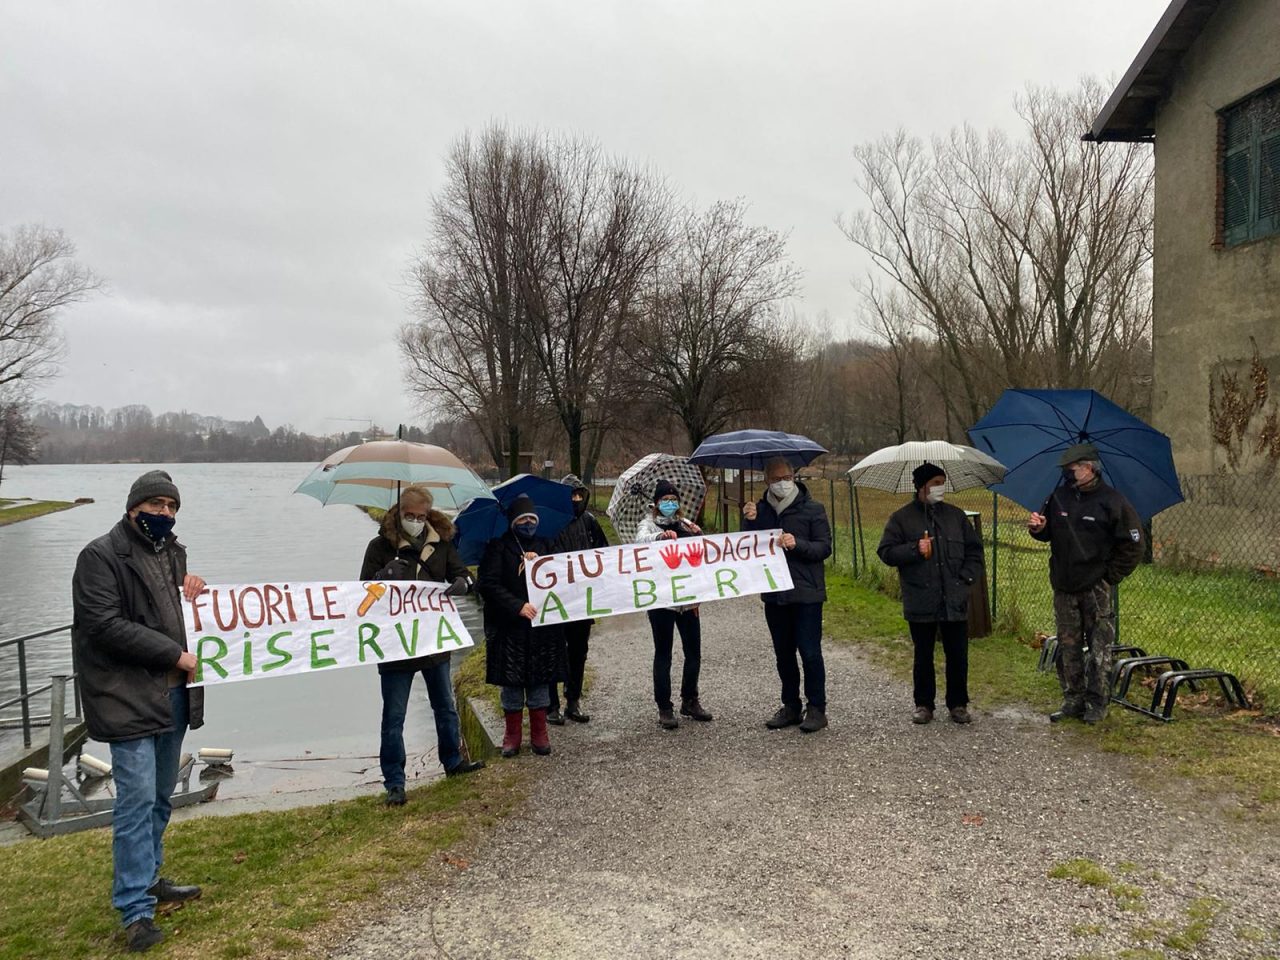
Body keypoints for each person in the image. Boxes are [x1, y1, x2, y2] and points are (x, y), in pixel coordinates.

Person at [71, 470, 206, 953]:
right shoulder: (99, 556)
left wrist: (196, 590)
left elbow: (179, 611)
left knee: (162, 796)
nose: (164, 514)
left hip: (172, 695)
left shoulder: (173, 553)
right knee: (136, 800)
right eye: (155, 505)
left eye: (171, 507)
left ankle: (150, 880)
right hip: (126, 695)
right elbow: (103, 624)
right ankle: (134, 910)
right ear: (133, 507)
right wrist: (173, 654)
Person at [360, 484, 485, 807]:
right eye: (409, 515)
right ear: (399, 514)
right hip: (396, 644)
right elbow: (361, 592)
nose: (415, 520)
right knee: (394, 715)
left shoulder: (442, 545)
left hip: (432, 641)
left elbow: (465, 576)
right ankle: (395, 781)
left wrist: (463, 583)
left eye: (421, 516)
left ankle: (453, 762)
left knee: (444, 706)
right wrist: (383, 575)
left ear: (429, 515)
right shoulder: (379, 546)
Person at [1028, 443, 1144, 725]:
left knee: (1099, 647)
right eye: (1067, 469)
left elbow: (1134, 544)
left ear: (1089, 467)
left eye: (1074, 468)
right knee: (1068, 646)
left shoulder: (1112, 501)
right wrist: (1038, 528)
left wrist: (1109, 576)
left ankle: (1098, 701)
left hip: (1095, 588)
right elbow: (1046, 533)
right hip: (1063, 584)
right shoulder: (1058, 497)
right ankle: (1073, 698)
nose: (1069, 473)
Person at [876, 462, 984, 725]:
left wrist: (964, 580)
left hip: (954, 598)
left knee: (957, 654)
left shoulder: (956, 516)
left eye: (942, 482)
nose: (940, 488)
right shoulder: (901, 518)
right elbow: (886, 552)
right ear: (921, 486)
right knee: (923, 654)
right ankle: (924, 704)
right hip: (920, 598)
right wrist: (915, 549)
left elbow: (974, 552)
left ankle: (958, 704)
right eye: (935, 483)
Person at [742, 457, 832, 733]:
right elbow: (747, 548)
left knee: (810, 652)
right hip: (775, 594)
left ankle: (817, 708)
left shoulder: (813, 509)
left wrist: (798, 544)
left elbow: (824, 548)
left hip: (806, 593)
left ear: (793, 476)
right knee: (783, 654)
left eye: (786, 477)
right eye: (775, 478)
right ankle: (791, 706)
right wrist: (748, 522)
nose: (782, 483)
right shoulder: (759, 510)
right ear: (766, 480)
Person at [478, 495, 567, 757]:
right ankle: (512, 735)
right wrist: (517, 606)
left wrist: (539, 563)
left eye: (532, 519)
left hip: (542, 628)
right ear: (513, 522)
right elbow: (488, 584)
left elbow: (563, 576)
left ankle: (540, 733)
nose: (528, 523)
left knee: (540, 681)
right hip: (509, 628)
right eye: (523, 519)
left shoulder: (547, 545)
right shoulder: (498, 548)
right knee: (512, 683)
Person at [635, 479, 713, 729]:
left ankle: (690, 699)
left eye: (673, 500)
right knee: (664, 653)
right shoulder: (647, 525)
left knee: (693, 652)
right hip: (661, 600)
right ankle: (664, 706)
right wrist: (660, 536)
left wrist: (699, 536)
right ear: (656, 503)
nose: (670, 504)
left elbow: (701, 556)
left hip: (688, 599)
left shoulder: (687, 524)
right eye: (665, 500)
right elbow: (638, 544)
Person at [546, 473, 609, 725]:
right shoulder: (549, 523)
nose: (575, 499)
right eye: (571, 495)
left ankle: (573, 699)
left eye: (579, 495)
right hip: (555, 599)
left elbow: (605, 553)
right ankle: (551, 705)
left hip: (582, 600)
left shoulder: (590, 521)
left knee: (579, 651)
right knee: (553, 650)